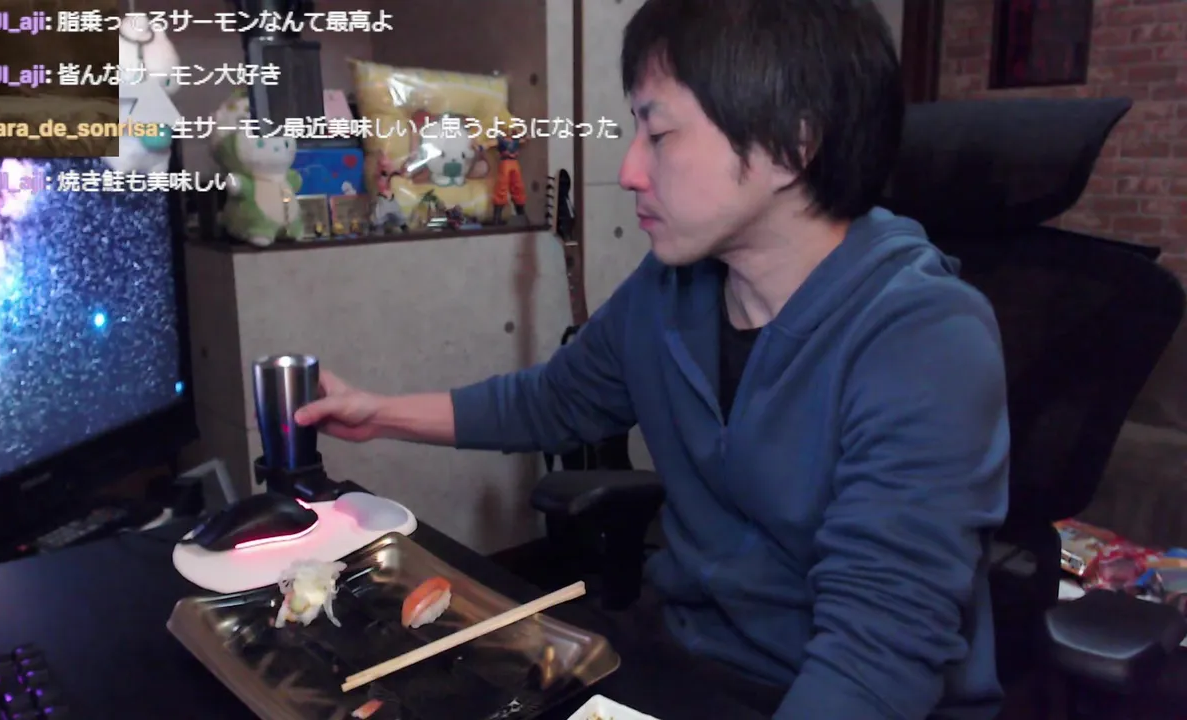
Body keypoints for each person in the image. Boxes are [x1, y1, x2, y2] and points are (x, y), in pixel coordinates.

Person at [295, 0, 1010, 717]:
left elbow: (873, 663)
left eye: (660, 133)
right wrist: (378, 413)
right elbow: (551, 402)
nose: (631, 170)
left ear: (792, 146)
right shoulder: (669, 292)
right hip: (682, 656)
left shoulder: (926, 337)